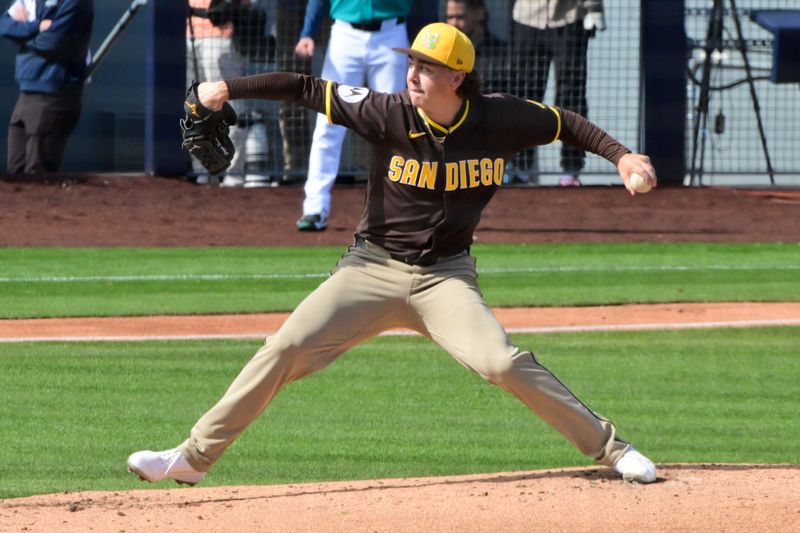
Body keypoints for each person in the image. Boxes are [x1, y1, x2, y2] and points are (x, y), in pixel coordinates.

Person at [127, 22, 658, 487]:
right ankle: (192, 458)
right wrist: (226, 88)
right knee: (285, 346)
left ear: (457, 78)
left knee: (503, 361)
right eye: (413, 62)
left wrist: (621, 156)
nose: (413, 73)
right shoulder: (387, 113)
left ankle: (613, 450)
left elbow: (567, 122)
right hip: (371, 270)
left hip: (446, 278)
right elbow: (305, 86)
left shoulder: (500, 119)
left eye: (428, 66)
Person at [294, 0, 412, 232]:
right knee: (328, 120)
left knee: (395, 125)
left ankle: (398, 208)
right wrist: (308, 32)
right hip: (345, 35)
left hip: (392, 33)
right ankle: (315, 208)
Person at [511, 0, 606, 186]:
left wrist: (594, 9)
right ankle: (520, 168)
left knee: (572, 97)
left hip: (569, 17)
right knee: (525, 97)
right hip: (526, 17)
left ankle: (571, 170)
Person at [0, 0, 93, 174]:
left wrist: (21, 35)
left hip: (54, 97)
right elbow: (3, 26)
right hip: (25, 95)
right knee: (16, 176)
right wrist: (35, 27)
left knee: (38, 178)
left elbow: (52, 42)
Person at [186, 0, 249, 186]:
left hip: (220, 33)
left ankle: (234, 173)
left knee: (228, 104)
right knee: (194, 107)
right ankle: (203, 170)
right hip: (188, 33)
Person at [446, 0, 509, 95]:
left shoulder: (502, 53)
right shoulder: (445, 52)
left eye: (460, 17)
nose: (454, 23)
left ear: (479, 14)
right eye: (450, 17)